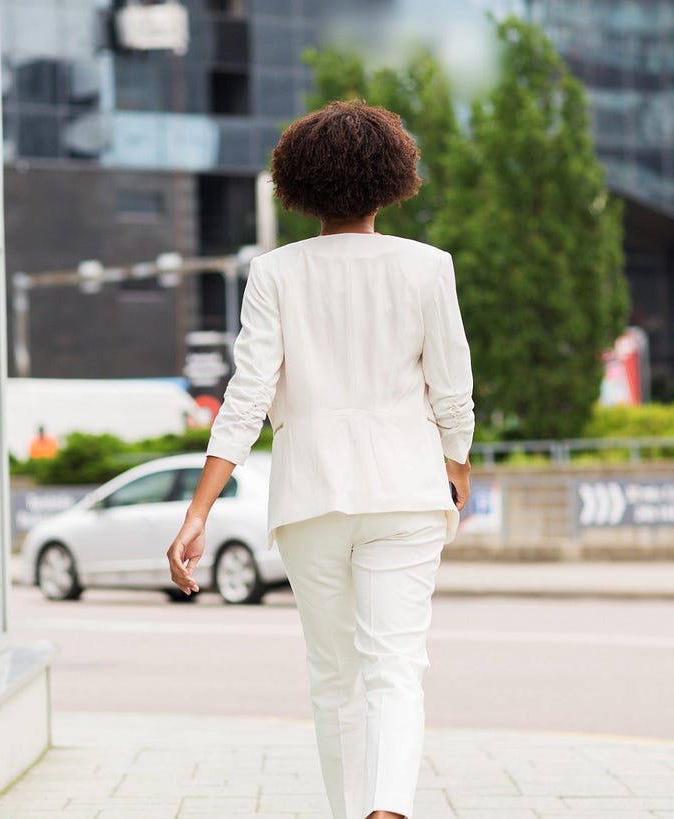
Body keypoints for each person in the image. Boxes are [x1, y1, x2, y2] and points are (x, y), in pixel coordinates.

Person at [166, 99, 474, 819]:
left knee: (335, 677)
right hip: (405, 487)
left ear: (300, 184)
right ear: (390, 178)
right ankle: (388, 810)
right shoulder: (428, 267)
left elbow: (246, 397)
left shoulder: (276, 273)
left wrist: (199, 508)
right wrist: (455, 464)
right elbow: (451, 386)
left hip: (309, 495)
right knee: (396, 668)